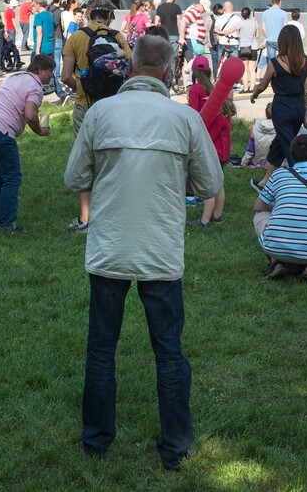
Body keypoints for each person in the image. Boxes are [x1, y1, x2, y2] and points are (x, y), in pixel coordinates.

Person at [64, 35, 222, 472]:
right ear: (170, 71)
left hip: (109, 247)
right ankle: (175, 445)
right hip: (159, 251)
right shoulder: (184, 118)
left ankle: (96, 442)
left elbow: (76, 175)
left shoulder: (100, 112)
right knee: (168, 350)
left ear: (130, 67)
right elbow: (209, 185)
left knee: (101, 348)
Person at [61, 0, 130, 231]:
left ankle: (86, 216)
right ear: (110, 16)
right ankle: (111, 210)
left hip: (85, 105)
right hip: (113, 107)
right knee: (111, 156)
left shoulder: (76, 38)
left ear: (90, 14)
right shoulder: (119, 38)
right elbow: (128, 69)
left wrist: (82, 87)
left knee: (85, 159)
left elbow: (65, 76)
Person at [0, 54, 54, 234]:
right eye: (50, 71)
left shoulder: (15, 78)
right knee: (11, 179)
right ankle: (7, 224)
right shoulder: (35, 87)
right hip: (0, 132)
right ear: (40, 70)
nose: (52, 75)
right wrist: (40, 131)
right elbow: (31, 115)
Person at [254, 134, 307, 281]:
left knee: (259, 214)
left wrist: (278, 207)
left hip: (273, 247)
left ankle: (276, 262)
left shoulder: (278, 175)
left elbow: (258, 206)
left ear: (291, 155)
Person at [249, 25, 307, 189]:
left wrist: (254, 95)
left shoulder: (275, 63)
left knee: (289, 146)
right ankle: (265, 182)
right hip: (298, 108)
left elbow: (262, 85)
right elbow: (306, 88)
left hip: (282, 107)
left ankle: (302, 184)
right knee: (280, 144)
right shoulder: (305, 61)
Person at [186, 56, 232, 228]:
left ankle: (205, 220)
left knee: (209, 184)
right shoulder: (214, 90)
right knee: (218, 183)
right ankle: (217, 216)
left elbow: (193, 116)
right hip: (223, 151)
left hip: (211, 148)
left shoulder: (195, 90)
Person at [236, 7, 262, 91]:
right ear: (249, 14)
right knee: (252, 69)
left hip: (243, 47)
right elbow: (257, 36)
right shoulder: (255, 22)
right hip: (253, 47)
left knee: (245, 69)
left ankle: (245, 88)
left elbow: (234, 32)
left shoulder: (240, 23)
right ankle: (252, 88)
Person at [212, 0, 240, 75]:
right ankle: (234, 80)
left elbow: (216, 30)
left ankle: (220, 77)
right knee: (234, 63)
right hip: (234, 42)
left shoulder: (219, 18)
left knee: (221, 62)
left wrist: (220, 38)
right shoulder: (237, 18)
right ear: (232, 7)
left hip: (222, 42)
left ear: (224, 8)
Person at [259, 0, 288, 65]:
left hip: (270, 40)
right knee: (283, 61)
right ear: (279, 3)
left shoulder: (265, 13)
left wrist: (267, 36)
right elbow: (286, 27)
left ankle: (273, 74)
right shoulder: (283, 13)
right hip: (281, 40)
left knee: (272, 62)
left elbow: (263, 28)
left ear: (271, 3)